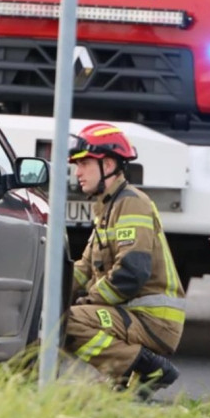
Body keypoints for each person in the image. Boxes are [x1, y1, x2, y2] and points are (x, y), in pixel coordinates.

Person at [65, 122, 186, 398]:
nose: (77, 172)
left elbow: (131, 272)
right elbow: (84, 269)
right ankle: (125, 381)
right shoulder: (108, 208)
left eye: (84, 163)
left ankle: (149, 369)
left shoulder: (132, 203)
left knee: (66, 322)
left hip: (153, 320)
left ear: (108, 164)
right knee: (55, 316)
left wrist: (87, 301)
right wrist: (47, 296)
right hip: (134, 314)